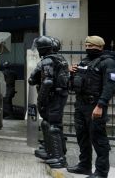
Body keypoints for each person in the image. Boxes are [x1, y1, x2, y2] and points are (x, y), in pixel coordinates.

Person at [67, 36, 115, 178]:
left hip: (95, 105)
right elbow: (76, 82)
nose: (88, 48)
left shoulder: (108, 62)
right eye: (87, 46)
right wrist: (72, 73)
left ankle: (101, 172)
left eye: (92, 46)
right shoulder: (85, 61)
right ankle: (84, 166)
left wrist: (101, 105)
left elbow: (110, 85)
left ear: (100, 47)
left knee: (99, 140)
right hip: (80, 105)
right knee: (82, 137)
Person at [28, 36, 69, 169]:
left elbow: (47, 81)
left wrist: (41, 99)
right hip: (58, 96)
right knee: (48, 124)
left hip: (53, 97)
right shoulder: (60, 59)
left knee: (53, 126)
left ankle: (59, 158)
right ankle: (51, 152)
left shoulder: (47, 61)